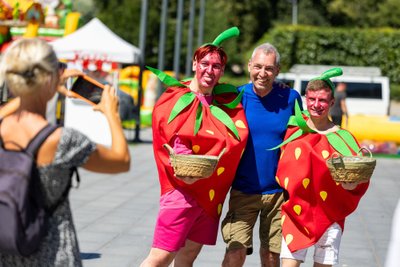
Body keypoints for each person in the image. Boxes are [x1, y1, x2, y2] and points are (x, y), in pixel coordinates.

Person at [0, 38, 130, 266]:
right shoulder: (62, 140)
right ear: (49, 78)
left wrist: (39, 88)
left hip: (8, 251)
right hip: (54, 253)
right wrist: (111, 114)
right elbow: (122, 160)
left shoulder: (3, 129)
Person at [140, 27, 249, 267]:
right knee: (161, 256)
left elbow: (236, 135)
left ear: (222, 72)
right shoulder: (176, 97)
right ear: (194, 64)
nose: (210, 71)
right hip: (180, 192)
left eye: (216, 66)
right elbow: (168, 133)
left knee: (188, 256)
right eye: (205, 64)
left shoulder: (224, 103)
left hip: (209, 196)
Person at [275, 68, 370, 267]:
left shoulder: (344, 139)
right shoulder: (294, 130)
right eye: (311, 99)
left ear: (332, 103)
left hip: (329, 217)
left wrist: (351, 185)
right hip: (295, 214)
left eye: (322, 101)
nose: (316, 105)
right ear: (305, 99)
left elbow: (358, 179)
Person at [221, 43, 302, 267]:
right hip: (243, 190)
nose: (262, 74)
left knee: (271, 257)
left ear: (277, 70)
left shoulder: (291, 98)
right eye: (258, 67)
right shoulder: (236, 98)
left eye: (269, 68)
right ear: (249, 66)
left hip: (278, 193)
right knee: (235, 253)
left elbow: (302, 141)